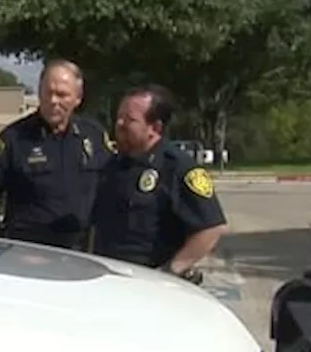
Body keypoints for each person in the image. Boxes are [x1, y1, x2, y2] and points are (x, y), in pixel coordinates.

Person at [0, 59, 114, 249]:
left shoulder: (94, 136)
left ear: (78, 98)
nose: (53, 101)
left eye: (62, 95)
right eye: (48, 93)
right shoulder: (12, 139)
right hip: (27, 249)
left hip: (80, 250)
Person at [90, 85, 227, 280]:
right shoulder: (113, 164)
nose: (119, 123)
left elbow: (210, 229)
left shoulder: (179, 167)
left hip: (151, 284)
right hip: (109, 278)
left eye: (130, 120)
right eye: (119, 116)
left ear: (155, 128)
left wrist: (170, 271)